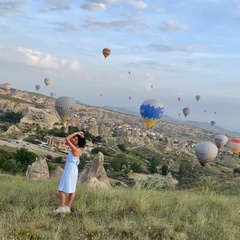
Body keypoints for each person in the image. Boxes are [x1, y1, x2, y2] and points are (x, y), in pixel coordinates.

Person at [54, 131, 86, 213]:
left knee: (61, 189)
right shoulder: (79, 149)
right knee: (72, 189)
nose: (74, 140)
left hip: (70, 169)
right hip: (73, 169)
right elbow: (75, 140)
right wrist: (81, 136)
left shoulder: (75, 149)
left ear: (78, 142)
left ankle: (62, 207)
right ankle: (67, 207)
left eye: (75, 139)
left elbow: (67, 139)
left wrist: (76, 133)